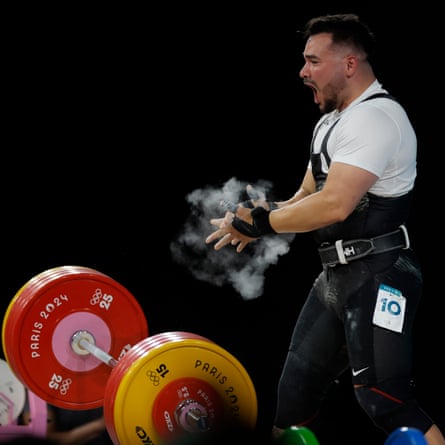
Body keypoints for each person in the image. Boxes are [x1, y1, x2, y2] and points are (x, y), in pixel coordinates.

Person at [205, 13, 445, 445]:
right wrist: (254, 216)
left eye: (313, 61)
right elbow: (305, 198)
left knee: (386, 401)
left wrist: (264, 223)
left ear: (349, 64)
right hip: (336, 280)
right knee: (291, 402)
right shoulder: (330, 123)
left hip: (381, 273)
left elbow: (335, 205)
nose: (302, 71)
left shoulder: (377, 119)